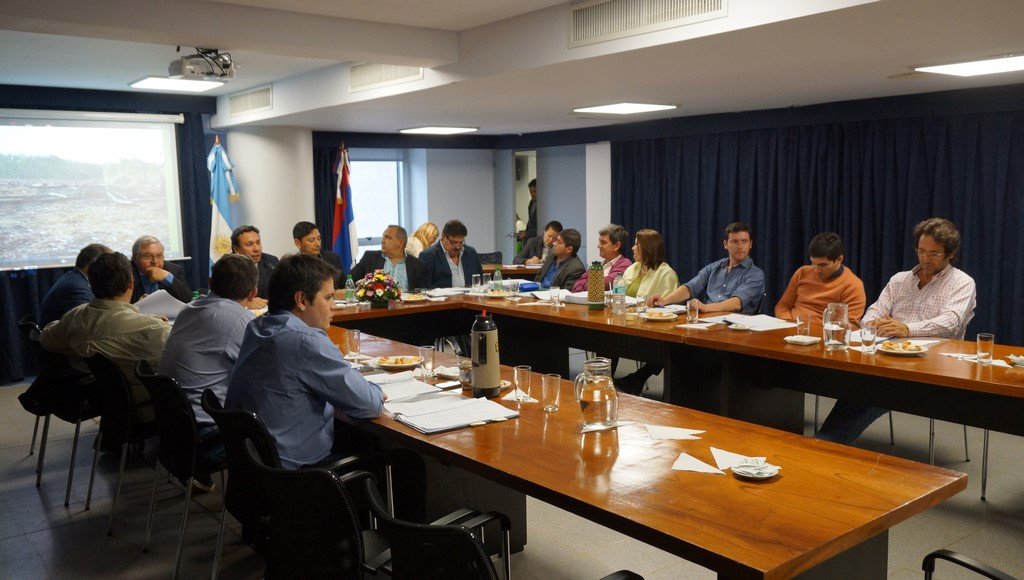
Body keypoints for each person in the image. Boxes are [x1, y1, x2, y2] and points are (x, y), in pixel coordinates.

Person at [816, 218, 976, 445]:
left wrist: (907, 329)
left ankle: (825, 444)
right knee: (858, 385)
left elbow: (952, 322)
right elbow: (873, 313)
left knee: (869, 389)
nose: (925, 258)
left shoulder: (962, 282)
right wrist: (874, 324)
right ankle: (823, 444)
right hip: (887, 357)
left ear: (950, 254)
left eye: (934, 254)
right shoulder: (900, 280)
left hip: (932, 366)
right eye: (921, 251)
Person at [225, 254, 385, 469]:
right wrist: (376, 390)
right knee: (406, 461)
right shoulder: (306, 340)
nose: (333, 306)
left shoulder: (257, 326)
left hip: (253, 466)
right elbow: (369, 405)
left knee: (353, 434)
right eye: (328, 298)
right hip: (297, 474)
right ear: (301, 300)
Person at [41, 252, 170, 447]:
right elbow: (182, 361)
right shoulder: (152, 329)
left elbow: (46, 338)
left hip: (108, 402)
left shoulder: (76, 316)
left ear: (91, 285)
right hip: (147, 407)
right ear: (131, 283)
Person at [158, 254, 259, 486]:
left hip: (173, 430)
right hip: (206, 437)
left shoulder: (188, 309)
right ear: (253, 293)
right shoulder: (241, 320)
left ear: (211, 283)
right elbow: (267, 374)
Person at [613, 229, 680, 394]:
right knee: (606, 337)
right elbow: (619, 294)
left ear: (648, 248)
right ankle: (605, 378)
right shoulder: (633, 268)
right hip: (626, 322)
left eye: (636, 245)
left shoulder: (666, 273)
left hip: (651, 328)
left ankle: (636, 379)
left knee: (661, 350)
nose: (632, 248)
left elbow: (669, 308)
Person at [648, 222, 765, 314]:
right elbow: (690, 287)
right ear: (725, 244)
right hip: (706, 321)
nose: (740, 246)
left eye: (744, 241)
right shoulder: (715, 267)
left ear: (750, 244)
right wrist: (664, 300)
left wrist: (705, 307)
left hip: (735, 327)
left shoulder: (756, 274)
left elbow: (736, 303)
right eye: (735, 241)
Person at [774, 232, 866, 323]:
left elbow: (850, 325)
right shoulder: (802, 272)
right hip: (792, 326)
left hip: (821, 331)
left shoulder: (853, 285)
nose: (816, 270)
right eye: (813, 263)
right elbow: (783, 306)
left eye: (823, 265)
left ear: (839, 259)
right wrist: (789, 324)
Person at [39, 243, 111, 326]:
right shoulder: (77, 288)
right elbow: (87, 325)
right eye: (106, 267)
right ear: (91, 266)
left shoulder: (75, 278)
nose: (108, 273)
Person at [350, 225, 425, 291]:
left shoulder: (416, 264)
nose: (382, 241)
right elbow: (349, 280)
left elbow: (422, 291)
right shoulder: (370, 258)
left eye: (388, 238)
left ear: (400, 243)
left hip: (407, 302)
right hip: (378, 302)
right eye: (383, 237)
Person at [419, 219, 484, 288]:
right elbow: (424, 287)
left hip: (470, 294)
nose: (458, 247)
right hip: (441, 295)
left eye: (461, 242)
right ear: (443, 237)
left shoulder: (471, 253)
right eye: (454, 242)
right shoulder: (428, 256)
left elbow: (480, 281)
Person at [130, 235, 192, 304]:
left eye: (159, 256)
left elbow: (188, 300)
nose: (155, 261)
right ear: (135, 258)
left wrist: (167, 277)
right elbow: (122, 304)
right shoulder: (126, 272)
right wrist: (138, 305)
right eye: (148, 256)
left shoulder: (173, 269)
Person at [571, 224, 632, 292]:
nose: (598, 245)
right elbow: (576, 286)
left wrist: (585, 284)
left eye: (603, 242)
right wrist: (589, 285)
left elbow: (603, 285)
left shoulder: (625, 264)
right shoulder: (599, 265)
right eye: (599, 241)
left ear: (616, 246)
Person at [232, 224, 278, 302]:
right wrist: (246, 303)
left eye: (258, 242)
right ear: (236, 249)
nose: (257, 249)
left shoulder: (271, 262)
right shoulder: (226, 267)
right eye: (249, 244)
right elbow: (222, 299)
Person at [292, 221, 344, 285]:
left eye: (319, 239)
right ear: (298, 243)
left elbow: (344, 284)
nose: (317, 244)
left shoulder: (333, 258)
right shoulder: (293, 267)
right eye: (311, 240)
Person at [517, 179, 537, 243]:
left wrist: (527, 233)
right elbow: (531, 220)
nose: (532, 194)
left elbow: (540, 226)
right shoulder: (531, 203)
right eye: (531, 192)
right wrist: (525, 232)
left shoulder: (543, 206)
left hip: (537, 237)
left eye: (535, 191)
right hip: (530, 237)